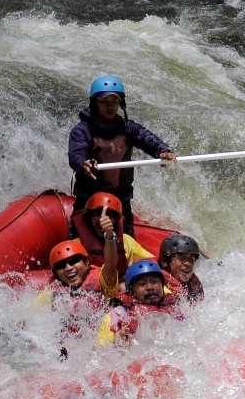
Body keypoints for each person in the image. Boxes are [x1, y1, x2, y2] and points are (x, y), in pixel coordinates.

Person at [68, 75, 176, 237]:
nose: (110, 106)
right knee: (77, 238)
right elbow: (76, 153)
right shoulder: (82, 130)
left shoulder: (129, 128)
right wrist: (82, 163)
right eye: (105, 101)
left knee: (127, 240)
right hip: (88, 196)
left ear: (121, 103)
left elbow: (149, 140)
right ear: (95, 103)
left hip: (120, 196)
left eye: (115, 101)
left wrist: (163, 151)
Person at [39, 210, 120, 359]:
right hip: (67, 344)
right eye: (61, 265)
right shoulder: (52, 291)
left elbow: (111, 264)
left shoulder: (102, 279)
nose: (68, 268)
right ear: (56, 273)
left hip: (98, 343)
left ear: (87, 262)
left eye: (73, 261)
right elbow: (32, 316)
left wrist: (109, 237)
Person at [97, 259, 186, 346]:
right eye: (142, 284)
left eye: (154, 282)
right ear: (131, 291)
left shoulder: (174, 308)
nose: (150, 287)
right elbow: (101, 352)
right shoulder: (118, 315)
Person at [70, 191, 157, 278]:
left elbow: (152, 262)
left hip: (120, 287)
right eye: (97, 214)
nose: (103, 219)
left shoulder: (127, 241)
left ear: (115, 221)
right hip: (91, 288)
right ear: (89, 219)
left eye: (109, 216)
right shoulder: (77, 245)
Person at [158, 233, 205, 303]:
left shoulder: (193, 284)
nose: (188, 263)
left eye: (191, 259)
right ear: (165, 261)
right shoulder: (156, 287)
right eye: (182, 258)